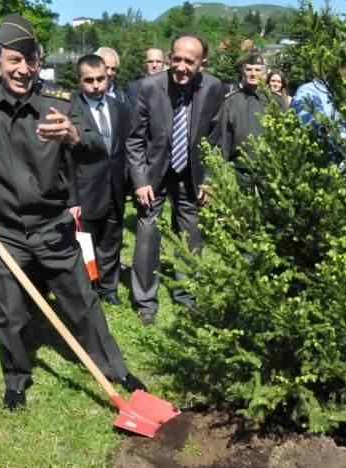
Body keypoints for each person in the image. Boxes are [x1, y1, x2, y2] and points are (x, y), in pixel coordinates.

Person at [0, 14, 145, 411]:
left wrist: (73, 135)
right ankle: (16, 380)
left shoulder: (57, 102)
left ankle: (114, 367)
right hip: (2, 230)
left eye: (31, 60)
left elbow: (97, 148)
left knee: (83, 301)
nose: (23, 69)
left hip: (52, 225)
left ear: (40, 62)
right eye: (14, 60)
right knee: (9, 313)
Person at [127, 33, 223, 326]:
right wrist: (140, 180)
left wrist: (209, 178)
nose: (180, 67)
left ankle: (188, 295)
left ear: (202, 64)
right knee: (147, 234)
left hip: (190, 174)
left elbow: (215, 138)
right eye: (176, 59)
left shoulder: (213, 87)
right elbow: (135, 139)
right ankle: (146, 301)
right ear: (169, 57)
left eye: (189, 62)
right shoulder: (149, 87)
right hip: (153, 173)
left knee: (190, 234)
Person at [69, 54, 128, 306]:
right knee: (86, 243)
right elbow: (66, 159)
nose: (96, 85)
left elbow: (123, 148)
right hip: (86, 191)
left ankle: (108, 288)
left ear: (108, 76)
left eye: (101, 79)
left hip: (115, 188)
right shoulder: (70, 108)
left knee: (112, 239)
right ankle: (88, 289)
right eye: (89, 80)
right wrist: (72, 199)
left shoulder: (119, 107)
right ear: (79, 80)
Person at [220, 53, 283, 190]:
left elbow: (283, 134)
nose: (253, 74)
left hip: (269, 168)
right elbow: (224, 137)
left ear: (264, 73)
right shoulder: (231, 101)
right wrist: (222, 166)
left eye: (257, 70)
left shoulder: (275, 101)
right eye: (249, 69)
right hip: (238, 169)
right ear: (243, 72)